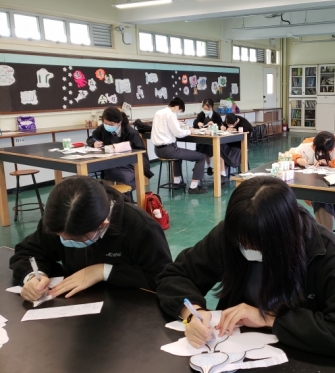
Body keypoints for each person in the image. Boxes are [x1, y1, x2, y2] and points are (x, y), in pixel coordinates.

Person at [156, 177, 335, 360]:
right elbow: (175, 275)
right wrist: (193, 314)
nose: (247, 250)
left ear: (285, 237)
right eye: (242, 243)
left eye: (257, 246)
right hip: (233, 352)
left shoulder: (327, 253)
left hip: (299, 355)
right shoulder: (232, 234)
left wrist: (268, 319)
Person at [9, 176, 172, 302]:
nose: (64, 241)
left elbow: (161, 278)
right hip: (78, 307)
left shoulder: (140, 227)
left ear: (102, 225)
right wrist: (32, 276)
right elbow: (28, 252)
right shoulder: (59, 221)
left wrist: (103, 271)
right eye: (61, 237)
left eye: (74, 240)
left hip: (129, 312)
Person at [288, 131, 335, 232]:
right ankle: (325, 237)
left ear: (332, 148)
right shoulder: (308, 143)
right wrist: (297, 159)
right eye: (318, 151)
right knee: (320, 199)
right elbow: (288, 154)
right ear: (314, 146)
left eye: (325, 152)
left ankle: (326, 237)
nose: (321, 154)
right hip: (318, 188)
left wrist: (331, 163)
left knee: (323, 199)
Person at [151, 97, 208, 194]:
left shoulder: (158, 112)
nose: (178, 113)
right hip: (168, 150)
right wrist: (190, 131)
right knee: (201, 157)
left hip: (157, 150)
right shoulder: (171, 114)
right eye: (180, 111)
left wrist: (178, 123)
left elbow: (166, 126)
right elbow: (178, 133)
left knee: (179, 156)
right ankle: (193, 187)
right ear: (177, 107)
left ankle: (177, 182)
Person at [86, 107, 153, 190]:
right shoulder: (102, 129)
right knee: (106, 180)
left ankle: (124, 197)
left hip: (129, 164)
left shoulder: (131, 133)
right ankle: (109, 197)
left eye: (111, 124)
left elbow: (140, 152)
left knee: (122, 178)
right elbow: (91, 138)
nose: (107, 126)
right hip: (110, 164)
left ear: (119, 123)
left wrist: (119, 148)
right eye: (105, 123)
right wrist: (94, 143)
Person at [193, 98, 224, 176]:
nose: (206, 110)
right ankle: (207, 166)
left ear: (211, 107)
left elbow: (221, 126)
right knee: (202, 147)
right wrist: (198, 123)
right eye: (204, 109)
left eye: (208, 109)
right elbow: (195, 123)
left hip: (214, 138)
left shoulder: (216, 115)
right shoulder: (201, 114)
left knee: (214, 149)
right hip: (203, 138)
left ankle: (218, 169)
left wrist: (214, 124)